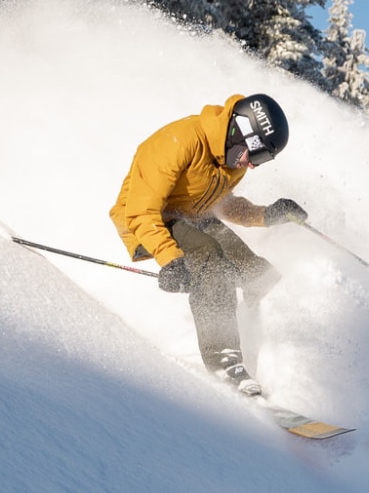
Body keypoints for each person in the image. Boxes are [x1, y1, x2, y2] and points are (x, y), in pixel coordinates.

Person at [110, 92, 308, 396]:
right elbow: (140, 210)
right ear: (239, 130)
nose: (254, 165)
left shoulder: (233, 160)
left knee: (255, 271)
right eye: (256, 153)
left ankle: (284, 353)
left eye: (263, 158)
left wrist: (268, 215)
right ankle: (224, 359)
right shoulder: (178, 141)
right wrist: (169, 259)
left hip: (190, 217)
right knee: (210, 257)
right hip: (147, 223)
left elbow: (223, 205)